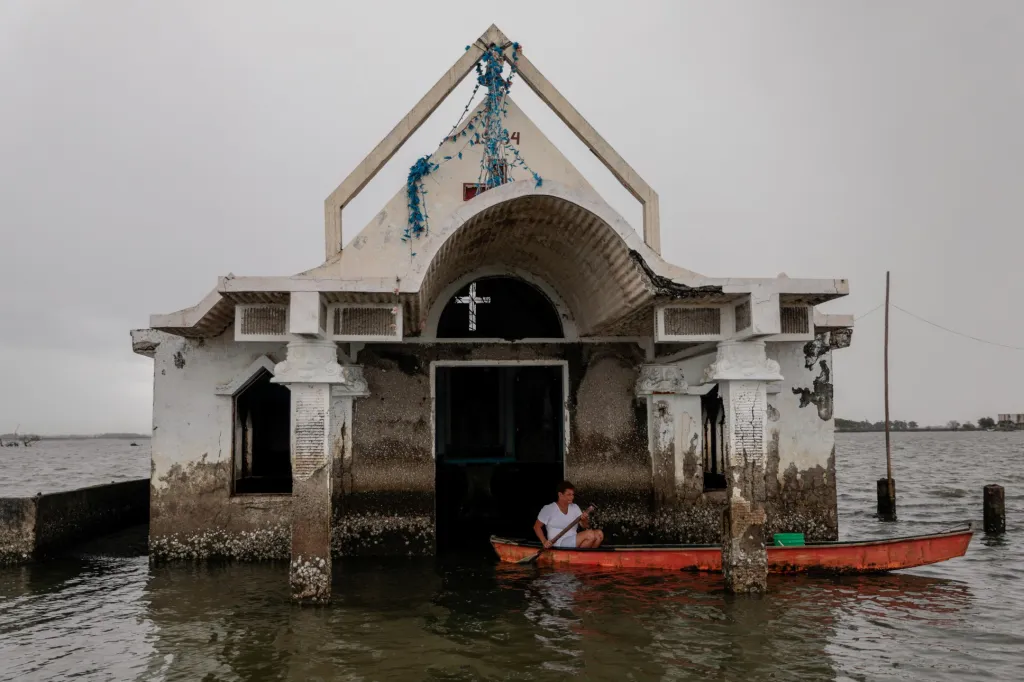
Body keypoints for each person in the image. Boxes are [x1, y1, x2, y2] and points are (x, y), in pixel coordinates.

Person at [533, 480, 604, 549]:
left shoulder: (575, 507)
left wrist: (584, 519)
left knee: (599, 534)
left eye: (572, 494)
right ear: (560, 495)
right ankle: (581, 557)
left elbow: (585, 526)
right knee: (590, 535)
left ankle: (585, 557)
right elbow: (537, 527)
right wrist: (544, 541)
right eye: (569, 495)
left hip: (573, 542)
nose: (572, 497)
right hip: (558, 544)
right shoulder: (548, 509)